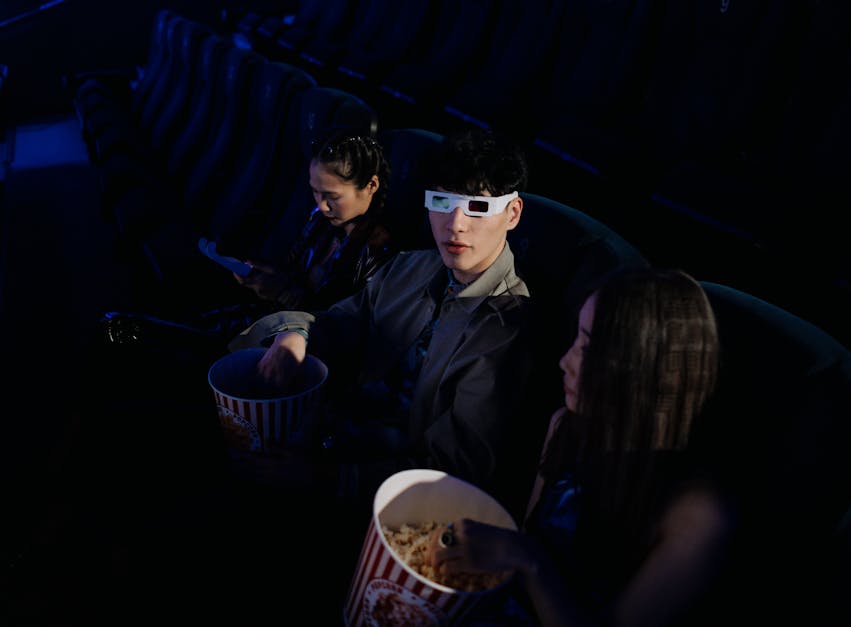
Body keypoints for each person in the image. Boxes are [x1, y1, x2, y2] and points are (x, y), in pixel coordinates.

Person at [227, 127, 540, 519]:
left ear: (512, 214)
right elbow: (340, 320)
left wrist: (324, 480)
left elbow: (453, 470)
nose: (455, 224)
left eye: (477, 208)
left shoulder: (505, 329)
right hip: (327, 434)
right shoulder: (412, 266)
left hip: (381, 496)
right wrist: (295, 334)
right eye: (441, 201)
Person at [425, 268, 738, 626]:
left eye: (588, 348)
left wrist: (529, 560)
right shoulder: (565, 426)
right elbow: (525, 545)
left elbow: (528, 555)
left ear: (644, 369)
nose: (566, 362)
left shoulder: (698, 515)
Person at [100, 129, 396, 348]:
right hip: (266, 318)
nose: (320, 204)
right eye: (315, 192)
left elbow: (339, 330)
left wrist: (283, 293)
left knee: (158, 343)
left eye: (331, 196)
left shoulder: (377, 250)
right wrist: (263, 276)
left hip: (291, 345)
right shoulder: (321, 220)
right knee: (127, 329)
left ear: (370, 185)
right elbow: (291, 271)